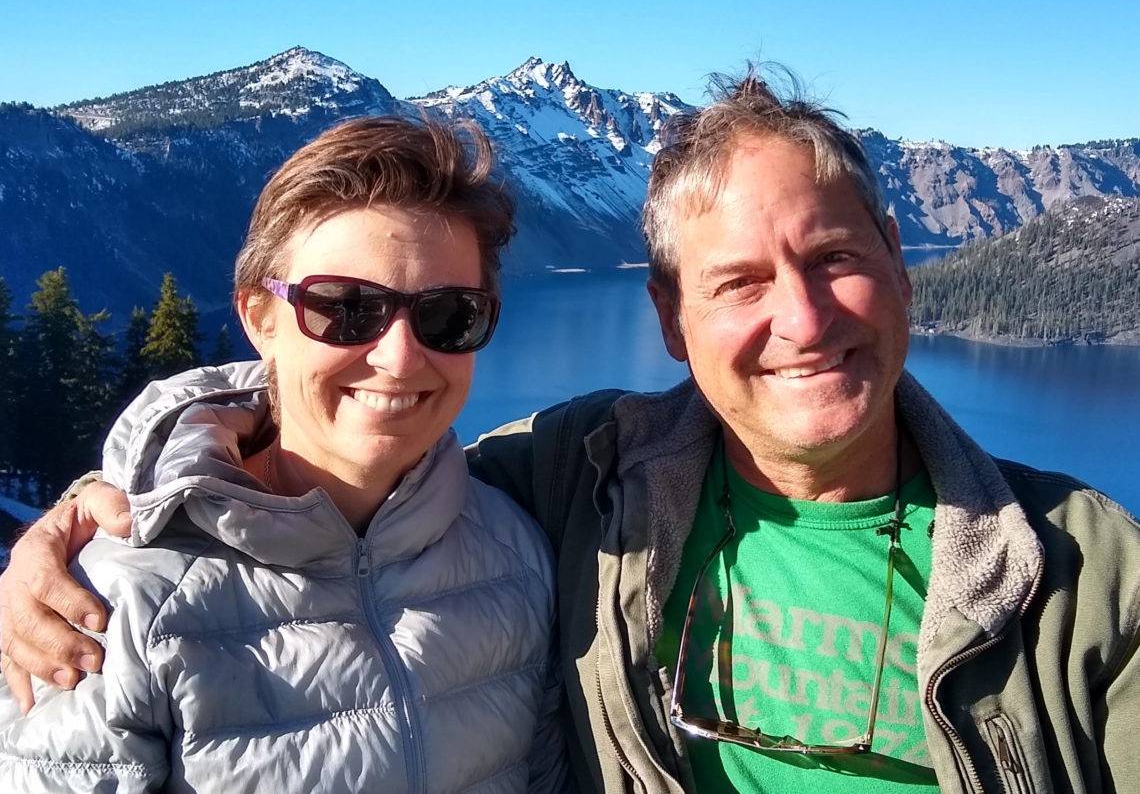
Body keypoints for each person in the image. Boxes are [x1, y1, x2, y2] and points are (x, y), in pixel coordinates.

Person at [4, 69, 1138, 793]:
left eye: (451, 317)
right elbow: (290, 446)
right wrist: (81, 518)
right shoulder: (586, 485)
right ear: (670, 319)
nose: (801, 320)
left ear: (897, 257)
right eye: (737, 281)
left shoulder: (1091, 575)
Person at [0, 116, 570, 792]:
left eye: (450, 314)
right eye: (347, 308)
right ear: (260, 319)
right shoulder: (116, 598)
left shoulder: (515, 554)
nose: (400, 356)